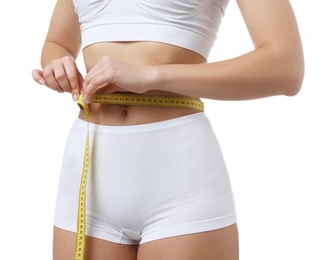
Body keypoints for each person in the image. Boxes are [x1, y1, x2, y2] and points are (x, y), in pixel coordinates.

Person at [32, 0, 304, 259]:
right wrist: (58, 63)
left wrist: (152, 75)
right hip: (88, 172)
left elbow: (285, 66)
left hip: (179, 178)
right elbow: (58, 42)